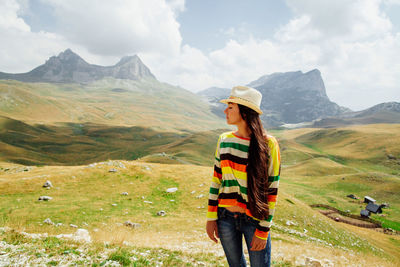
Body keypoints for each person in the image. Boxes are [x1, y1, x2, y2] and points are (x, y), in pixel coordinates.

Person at [206, 86, 281, 267]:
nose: (225, 111)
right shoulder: (224, 140)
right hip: (225, 218)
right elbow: (216, 180)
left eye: (230, 107)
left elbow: (272, 188)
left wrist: (263, 229)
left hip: (254, 219)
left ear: (245, 113)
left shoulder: (268, 144)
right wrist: (211, 218)